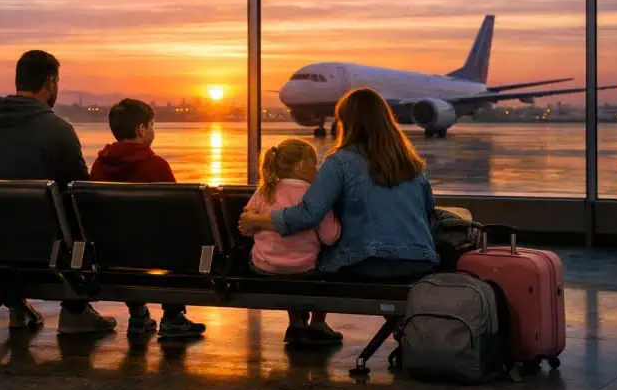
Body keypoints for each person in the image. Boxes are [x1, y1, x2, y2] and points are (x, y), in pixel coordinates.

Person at [0, 49, 118, 335]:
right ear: (50, 82)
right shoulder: (56, 130)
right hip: (41, 253)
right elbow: (80, 196)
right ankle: (75, 311)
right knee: (81, 214)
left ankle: (16, 306)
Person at [239, 88, 439, 281]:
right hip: (419, 261)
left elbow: (309, 214)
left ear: (348, 123)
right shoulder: (413, 164)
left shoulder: (340, 162)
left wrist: (257, 220)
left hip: (366, 262)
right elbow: (428, 212)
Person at [90, 98, 207, 340]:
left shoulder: (99, 165)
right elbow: (177, 213)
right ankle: (173, 317)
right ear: (141, 129)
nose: (153, 130)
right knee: (179, 240)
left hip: (108, 253)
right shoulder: (155, 166)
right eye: (152, 125)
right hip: (156, 254)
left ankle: (138, 314)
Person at [245, 138, 342, 345]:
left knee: (286, 256)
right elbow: (330, 237)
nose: (317, 170)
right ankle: (318, 323)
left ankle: (296, 323)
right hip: (304, 270)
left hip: (263, 267)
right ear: (301, 166)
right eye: (314, 164)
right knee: (323, 259)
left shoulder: (264, 191)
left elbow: (246, 226)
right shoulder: (313, 195)